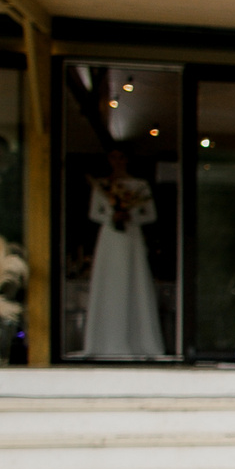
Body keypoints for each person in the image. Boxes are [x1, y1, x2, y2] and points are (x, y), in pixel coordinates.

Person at [83, 148, 166, 360]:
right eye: (113, 157)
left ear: (127, 159)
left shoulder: (139, 185)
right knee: (110, 281)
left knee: (133, 279)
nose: (117, 161)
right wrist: (113, 216)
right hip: (110, 237)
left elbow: (150, 215)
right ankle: (103, 342)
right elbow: (94, 213)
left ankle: (140, 340)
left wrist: (130, 216)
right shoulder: (102, 185)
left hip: (131, 237)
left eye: (121, 156)